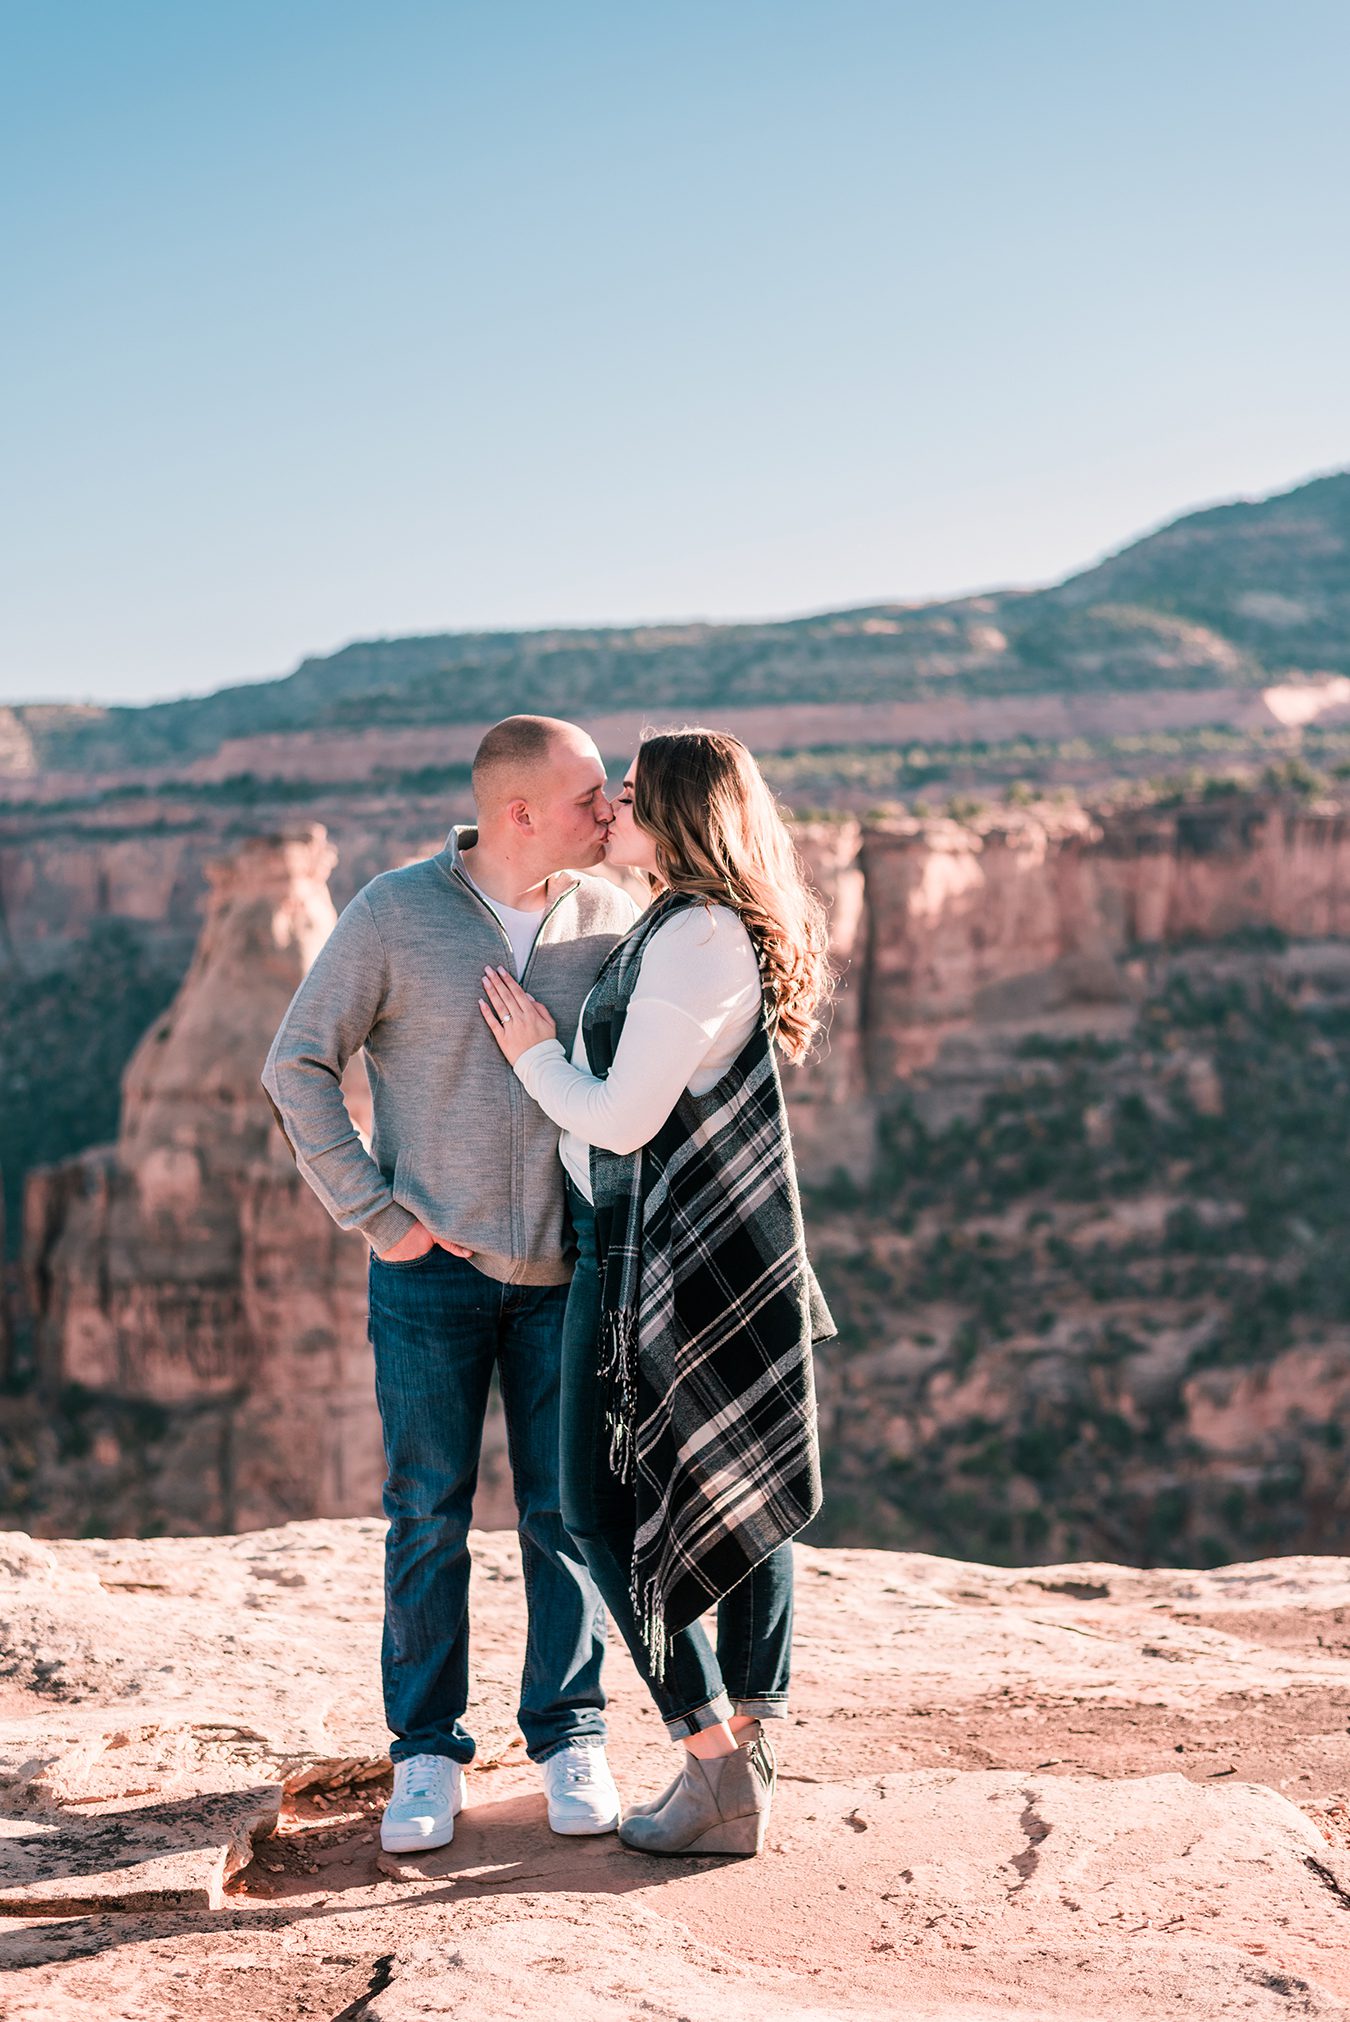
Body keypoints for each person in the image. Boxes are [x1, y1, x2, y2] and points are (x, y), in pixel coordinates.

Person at [262, 715, 639, 1854]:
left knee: (565, 1515)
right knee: (426, 1516)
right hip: (431, 1277)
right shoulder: (392, 911)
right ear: (519, 811)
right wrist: (376, 1218)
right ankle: (425, 1753)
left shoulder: (610, 918)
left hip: (565, 1277)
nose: (610, 813)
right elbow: (298, 1065)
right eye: (589, 797)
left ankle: (570, 1731)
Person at [479, 726, 835, 1857]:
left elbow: (623, 1119)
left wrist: (534, 1055)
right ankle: (746, 1748)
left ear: (676, 814)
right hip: (700, 1253)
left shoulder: (692, 938)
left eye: (625, 797)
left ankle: (716, 1762)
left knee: (595, 1499)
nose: (607, 812)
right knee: (732, 1478)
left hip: (657, 1262)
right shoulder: (686, 923)